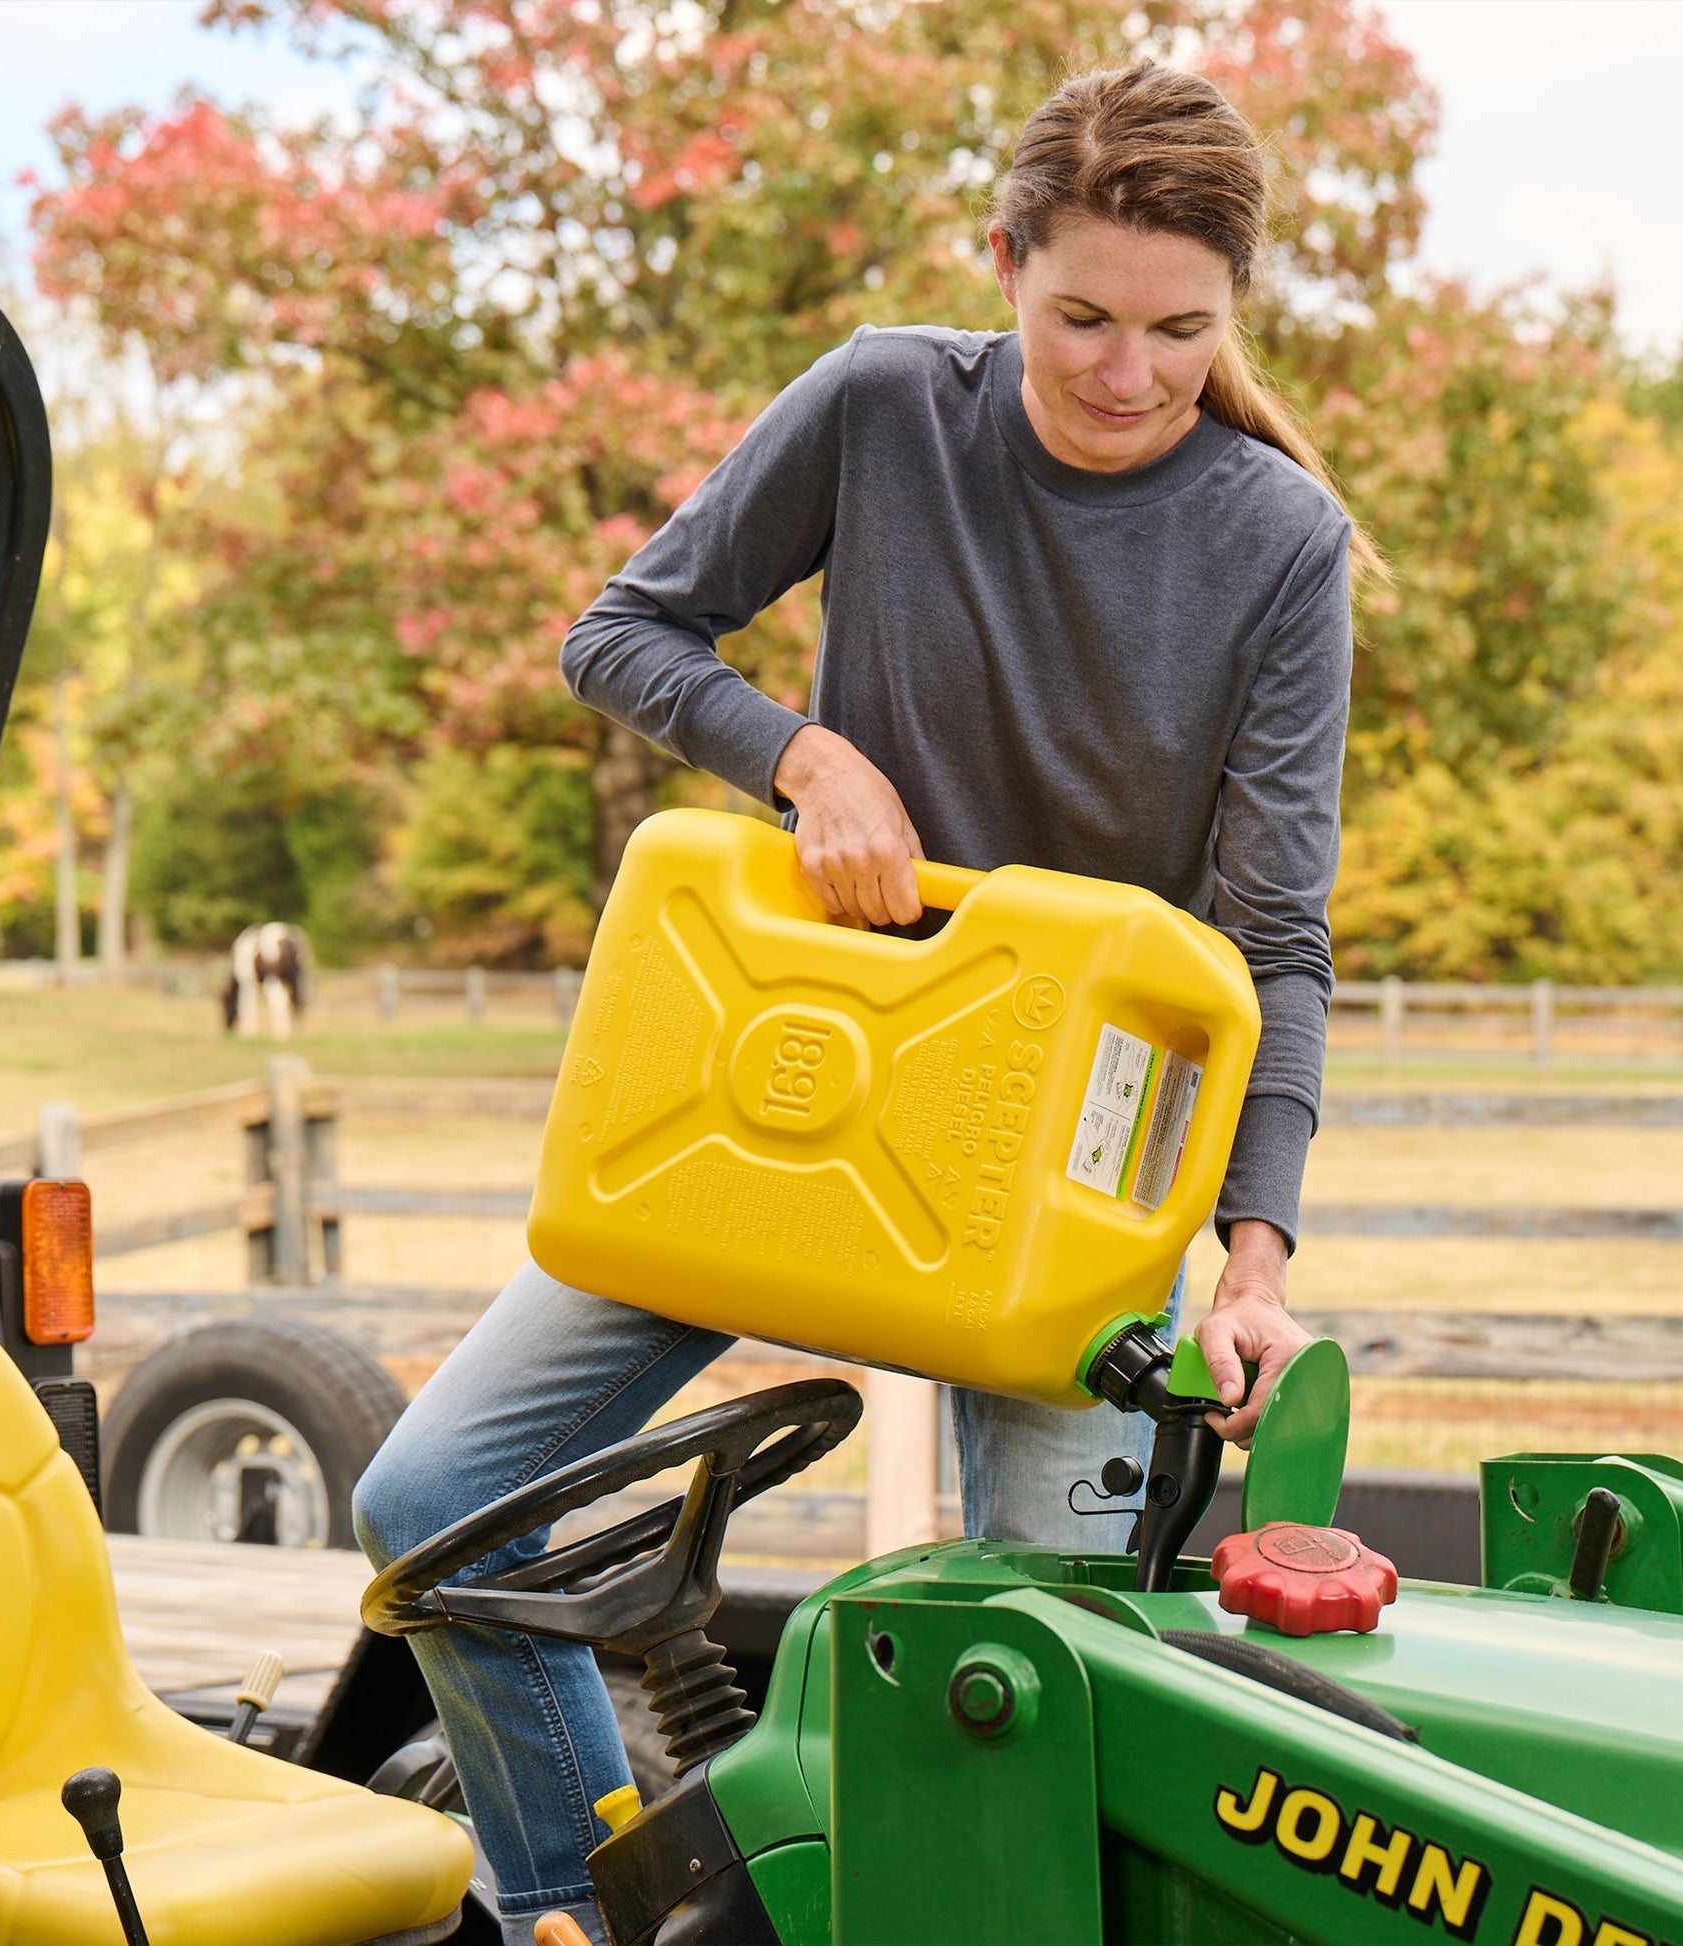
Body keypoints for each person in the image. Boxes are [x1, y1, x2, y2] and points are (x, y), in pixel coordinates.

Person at [356, 61, 1371, 1946]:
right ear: (1002, 265)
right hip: (799, 1095)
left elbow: (1275, 944)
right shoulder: (886, 404)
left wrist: (1249, 1260)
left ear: (1233, 317)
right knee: (438, 1498)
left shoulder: (1278, 542)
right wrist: (804, 752)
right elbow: (620, 631)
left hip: (1058, 1176)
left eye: (1176, 331)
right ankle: (586, 1903)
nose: (1124, 373)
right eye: (1077, 316)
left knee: (1038, 1692)